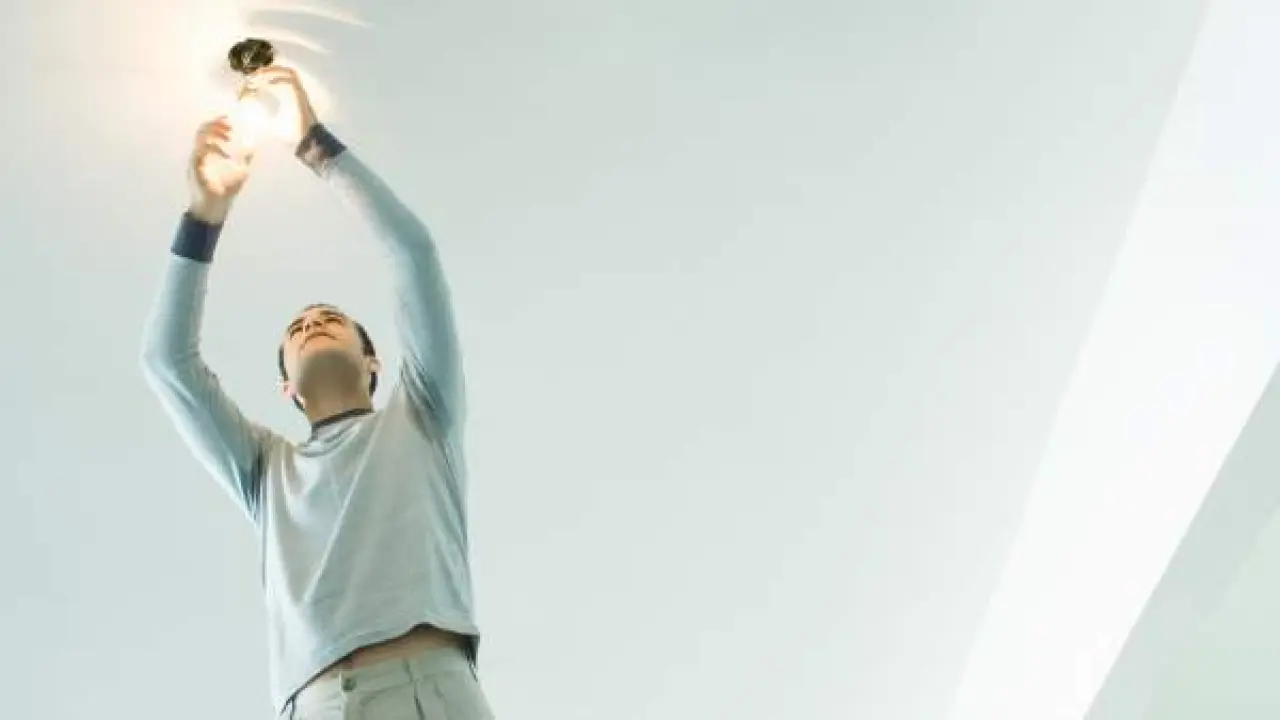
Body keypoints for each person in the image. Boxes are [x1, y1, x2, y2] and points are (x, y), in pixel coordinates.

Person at [141, 66, 494, 720]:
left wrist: (313, 143)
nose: (312, 322)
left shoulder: (424, 413)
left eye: (331, 318)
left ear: (373, 361)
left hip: (433, 691)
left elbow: (413, 254)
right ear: (288, 389)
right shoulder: (266, 471)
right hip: (319, 705)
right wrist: (204, 213)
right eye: (298, 329)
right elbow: (167, 362)